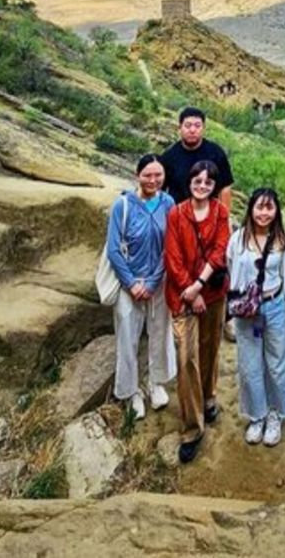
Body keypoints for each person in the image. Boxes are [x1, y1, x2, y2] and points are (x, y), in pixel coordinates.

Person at [164, 160, 231, 464]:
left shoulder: (221, 212)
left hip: (213, 293)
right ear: (189, 181)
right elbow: (173, 257)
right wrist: (189, 291)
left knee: (210, 348)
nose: (202, 186)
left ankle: (208, 397)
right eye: (197, 180)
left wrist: (199, 286)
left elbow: (220, 251)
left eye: (208, 182)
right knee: (186, 356)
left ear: (214, 186)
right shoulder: (176, 214)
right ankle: (192, 429)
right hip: (183, 296)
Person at [106, 153, 176, 419]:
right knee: (127, 338)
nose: (153, 180)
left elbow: (170, 246)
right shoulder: (122, 205)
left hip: (158, 282)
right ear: (138, 175)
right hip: (129, 283)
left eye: (158, 175)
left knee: (159, 333)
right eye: (148, 175)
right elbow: (113, 249)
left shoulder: (168, 203)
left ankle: (155, 382)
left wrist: (154, 280)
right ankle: (130, 390)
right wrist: (132, 283)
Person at [227, 187, 285, 447]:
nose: (263, 213)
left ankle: (276, 413)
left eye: (269, 207)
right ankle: (257, 415)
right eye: (259, 207)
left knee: (277, 362)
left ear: (276, 211)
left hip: (274, 305)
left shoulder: (284, 241)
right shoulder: (238, 239)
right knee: (250, 363)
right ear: (251, 209)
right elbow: (230, 266)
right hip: (248, 311)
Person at [161, 106, 235, 210]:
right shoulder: (169, 156)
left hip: (209, 214)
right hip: (178, 214)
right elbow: (161, 191)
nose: (192, 130)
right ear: (180, 127)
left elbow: (225, 188)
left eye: (197, 126)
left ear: (203, 128)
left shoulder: (216, 153)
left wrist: (224, 216)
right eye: (188, 126)